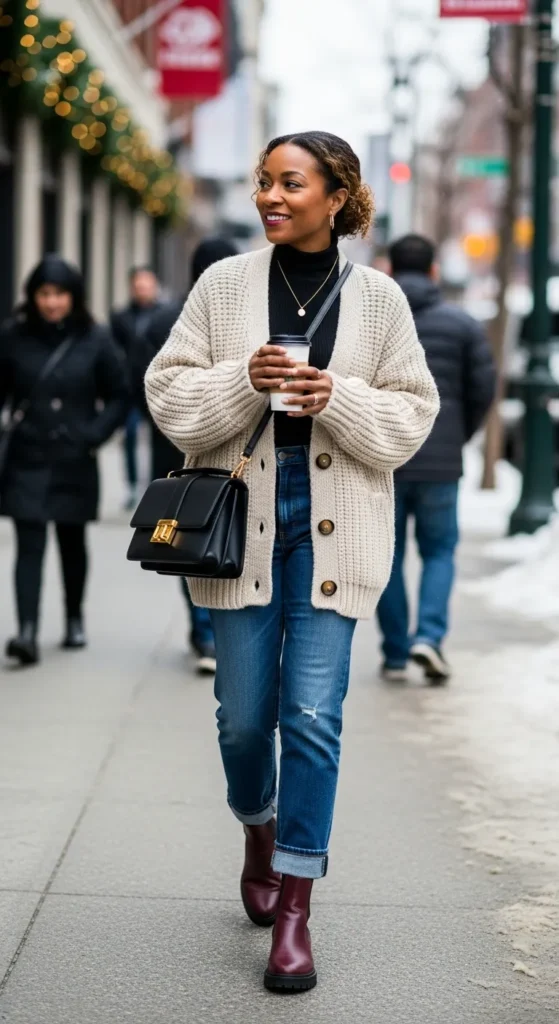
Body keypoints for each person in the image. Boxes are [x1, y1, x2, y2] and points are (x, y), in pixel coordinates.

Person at [145, 131, 439, 992]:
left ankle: (296, 909)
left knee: (311, 716)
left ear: (336, 198)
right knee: (243, 720)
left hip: (334, 528)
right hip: (242, 523)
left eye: (291, 183)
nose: (270, 196)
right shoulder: (222, 285)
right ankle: (258, 829)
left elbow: (411, 416)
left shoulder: (379, 300)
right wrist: (243, 379)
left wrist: (335, 396)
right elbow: (168, 394)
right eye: (264, 181)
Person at [376, 234, 496, 684]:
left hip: (386, 457)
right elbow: (482, 389)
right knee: (440, 551)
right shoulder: (463, 324)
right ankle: (429, 637)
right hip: (441, 461)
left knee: (386, 555)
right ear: (433, 272)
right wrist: (458, 437)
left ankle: (395, 652)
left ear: (390, 271)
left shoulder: (375, 324)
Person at [0, 255, 128, 666]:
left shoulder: (95, 338)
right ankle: (27, 631)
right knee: (29, 544)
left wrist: (93, 435)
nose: (51, 302)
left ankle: (74, 618)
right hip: (28, 456)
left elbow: (120, 394)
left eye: (59, 294)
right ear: (32, 296)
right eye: (44, 294)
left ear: (73, 296)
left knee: (72, 542)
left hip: (75, 457)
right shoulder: (14, 336)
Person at [139, 239, 238, 674]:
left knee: (185, 538)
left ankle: (203, 632)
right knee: (226, 536)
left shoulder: (164, 319)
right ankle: (213, 631)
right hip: (230, 451)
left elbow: (142, 382)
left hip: (172, 451)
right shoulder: (238, 320)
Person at [111, 267, 163, 509]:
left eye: (147, 285)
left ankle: (156, 485)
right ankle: (132, 486)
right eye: (139, 286)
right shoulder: (120, 317)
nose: (143, 290)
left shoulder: (165, 314)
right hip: (130, 388)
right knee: (130, 435)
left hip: (156, 386)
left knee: (159, 439)